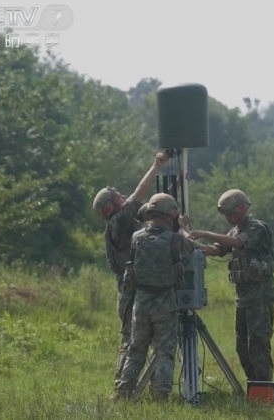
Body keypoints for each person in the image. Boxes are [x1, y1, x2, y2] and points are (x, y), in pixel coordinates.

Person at [91, 152, 167, 388]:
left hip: (131, 288)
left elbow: (153, 210)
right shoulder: (120, 220)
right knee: (132, 342)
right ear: (110, 206)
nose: (123, 196)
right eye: (117, 196)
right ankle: (120, 387)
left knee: (141, 339)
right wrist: (156, 166)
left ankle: (132, 388)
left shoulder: (120, 222)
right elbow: (139, 195)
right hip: (131, 289)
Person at [112, 193, 195, 401]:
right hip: (165, 302)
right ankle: (160, 395)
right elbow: (190, 245)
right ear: (171, 215)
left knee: (136, 349)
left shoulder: (136, 238)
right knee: (164, 352)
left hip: (140, 303)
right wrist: (184, 226)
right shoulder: (174, 239)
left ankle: (123, 392)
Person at [190, 189, 274, 382]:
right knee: (242, 346)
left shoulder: (256, 228)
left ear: (241, 209)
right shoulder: (235, 230)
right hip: (243, 297)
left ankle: (264, 387)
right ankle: (254, 384)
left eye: (231, 213)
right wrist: (192, 244)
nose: (228, 218)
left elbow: (237, 243)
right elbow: (216, 250)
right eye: (226, 215)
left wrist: (207, 233)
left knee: (258, 344)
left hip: (260, 295)